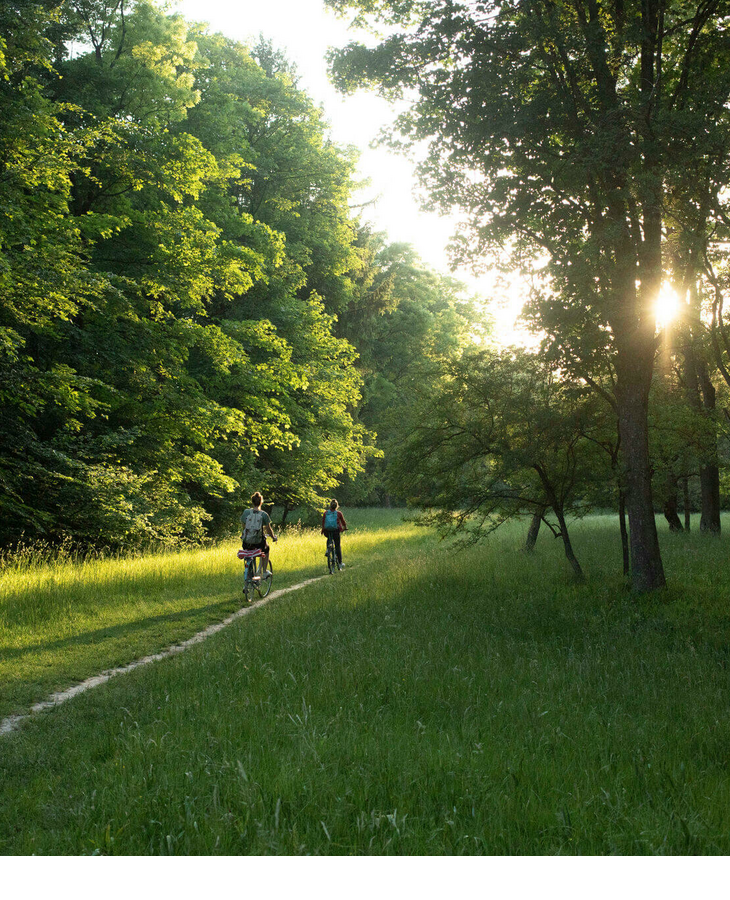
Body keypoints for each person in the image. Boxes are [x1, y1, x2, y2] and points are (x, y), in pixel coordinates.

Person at [240, 491, 277, 578]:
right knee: (266, 549)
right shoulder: (264, 514)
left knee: (249, 552)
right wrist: (273, 537)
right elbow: (268, 529)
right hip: (258, 543)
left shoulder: (246, 512)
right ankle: (264, 572)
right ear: (261, 502)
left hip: (246, 542)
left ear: (252, 502)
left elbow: (243, 526)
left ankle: (248, 572)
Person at [321, 499, 347, 570]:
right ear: (336, 506)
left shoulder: (326, 513)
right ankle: (340, 563)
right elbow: (343, 522)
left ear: (330, 506)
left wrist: (323, 530)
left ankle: (328, 549)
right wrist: (344, 528)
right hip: (336, 531)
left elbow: (323, 522)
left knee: (329, 538)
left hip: (327, 531)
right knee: (337, 546)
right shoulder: (339, 513)